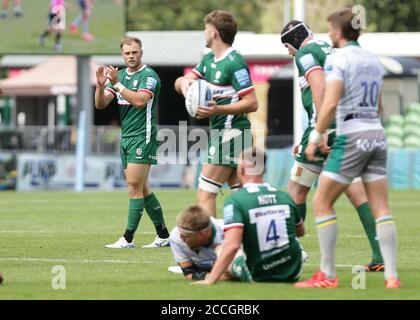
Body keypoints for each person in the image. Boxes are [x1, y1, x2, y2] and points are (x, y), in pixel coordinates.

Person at [295, 9, 399, 289]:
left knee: (321, 202)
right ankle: (392, 276)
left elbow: (329, 102)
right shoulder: (373, 60)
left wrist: (317, 135)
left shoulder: (339, 60)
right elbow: (378, 105)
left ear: (339, 32)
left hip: (351, 135)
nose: (328, 35)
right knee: (381, 207)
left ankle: (327, 275)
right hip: (376, 133)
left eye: (331, 30)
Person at [280, 20, 384, 271]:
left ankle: (291, 254)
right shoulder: (332, 50)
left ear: (293, 41)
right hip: (348, 127)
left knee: (296, 190)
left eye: (287, 46)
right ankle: (380, 256)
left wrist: (319, 132)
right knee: (355, 191)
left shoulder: (305, 54)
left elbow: (320, 87)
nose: (288, 52)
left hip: (326, 128)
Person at [174, 10, 258, 217]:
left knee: (205, 194)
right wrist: (185, 85)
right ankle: (255, 239)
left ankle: (211, 244)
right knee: (243, 195)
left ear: (214, 33)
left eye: (205, 29)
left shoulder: (234, 62)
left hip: (230, 134)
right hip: (225, 134)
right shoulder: (209, 60)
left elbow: (252, 102)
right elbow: (180, 81)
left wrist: (218, 109)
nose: (203, 33)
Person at [95, 36, 170, 249]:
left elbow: (139, 101)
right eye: (127, 53)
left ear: (141, 53)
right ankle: (163, 235)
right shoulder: (119, 77)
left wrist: (116, 83)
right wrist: (101, 86)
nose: (131, 56)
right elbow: (100, 104)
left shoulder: (149, 76)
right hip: (126, 137)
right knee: (143, 189)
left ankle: (127, 238)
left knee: (133, 187)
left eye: (134, 52)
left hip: (142, 136)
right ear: (122, 54)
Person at [194, 147, 304, 285]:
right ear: (264, 170)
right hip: (294, 271)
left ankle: (220, 271)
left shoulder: (236, 200)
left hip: (261, 274)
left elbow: (232, 246)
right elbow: (300, 231)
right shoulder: (284, 196)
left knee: (221, 247)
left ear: (241, 169)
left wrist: (210, 280)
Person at [169, 205, 250, 282]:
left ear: (203, 234)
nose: (181, 237)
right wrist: (217, 276)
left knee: (221, 250)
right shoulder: (176, 237)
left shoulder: (230, 232)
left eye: (186, 235)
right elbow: (189, 273)